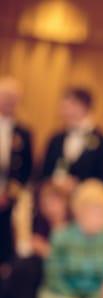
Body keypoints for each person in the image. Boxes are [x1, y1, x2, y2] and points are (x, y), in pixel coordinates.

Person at [41, 87, 103, 190]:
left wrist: (78, 185)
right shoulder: (56, 139)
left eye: (69, 104)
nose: (62, 109)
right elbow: (43, 172)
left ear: (83, 107)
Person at [0, 77, 33, 263]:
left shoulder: (23, 132)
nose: (9, 101)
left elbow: (27, 170)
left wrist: (9, 194)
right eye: (5, 96)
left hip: (8, 201)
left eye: (14, 97)